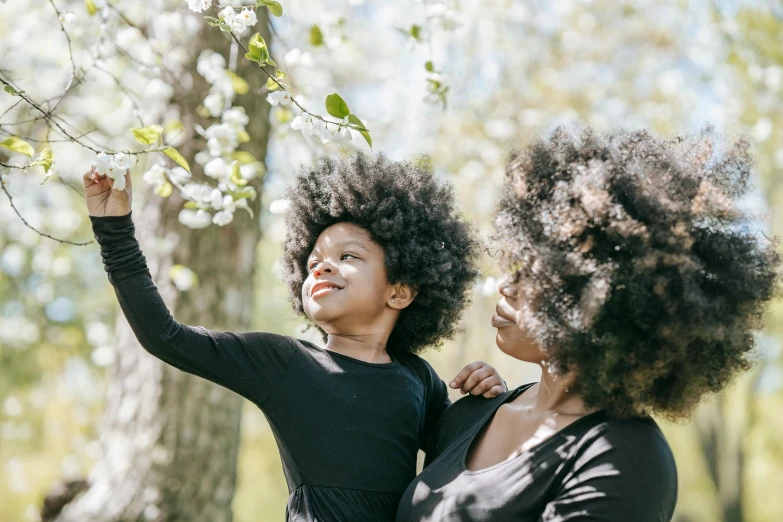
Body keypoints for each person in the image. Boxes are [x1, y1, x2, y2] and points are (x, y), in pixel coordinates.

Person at [84, 153, 506, 522]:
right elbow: (165, 336)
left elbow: (460, 459)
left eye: (348, 257)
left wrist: (488, 394)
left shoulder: (419, 378)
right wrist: (114, 230)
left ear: (399, 290)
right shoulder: (284, 362)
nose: (321, 268)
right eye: (313, 262)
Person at [396, 126, 780, 521]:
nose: (507, 285)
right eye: (516, 265)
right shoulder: (473, 412)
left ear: (602, 305)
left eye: (536, 276)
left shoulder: (624, 458)